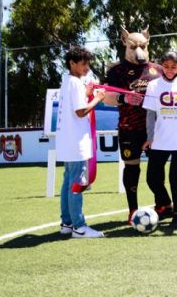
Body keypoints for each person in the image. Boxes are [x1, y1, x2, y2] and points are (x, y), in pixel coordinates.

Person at [105, 29, 162, 223]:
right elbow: (106, 98)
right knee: (131, 168)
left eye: (142, 46)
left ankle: (162, 205)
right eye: (133, 46)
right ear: (124, 42)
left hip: (154, 129)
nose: (139, 50)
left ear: (148, 43)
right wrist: (124, 97)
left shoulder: (158, 70)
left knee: (156, 169)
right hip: (129, 128)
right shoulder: (115, 70)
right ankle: (132, 209)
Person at [142, 51, 177, 229]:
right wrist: (150, 137)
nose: (169, 70)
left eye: (173, 67)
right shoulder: (153, 86)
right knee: (152, 177)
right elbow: (150, 115)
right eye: (166, 66)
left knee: (176, 178)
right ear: (161, 66)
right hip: (159, 139)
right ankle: (166, 204)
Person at [57, 46, 105, 238]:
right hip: (76, 142)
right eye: (83, 63)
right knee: (77, 183)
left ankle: (67, 223)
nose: (87, 67)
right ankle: (79, 227)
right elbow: (80, 111)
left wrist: (88, 92)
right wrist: (97, 99)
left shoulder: (68, 81)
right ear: (72, 63)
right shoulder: (75, 83)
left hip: (68, 141)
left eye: (88, 63)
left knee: (68, 181)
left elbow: (76, 104)